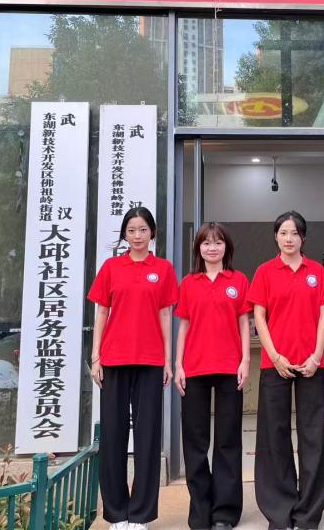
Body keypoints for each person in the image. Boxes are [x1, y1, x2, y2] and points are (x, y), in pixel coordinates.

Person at [89, 206, 178, 530]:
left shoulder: (164, 269)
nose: (137, 236)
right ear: (124, 234)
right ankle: (117, 513)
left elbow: (166, 315)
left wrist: (167, 360)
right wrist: (96, 357)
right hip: (114, 360)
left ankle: (140, 514)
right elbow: (101, 312)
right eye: (131, 230)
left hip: (151, 361)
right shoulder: (112, 267)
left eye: (143, 230)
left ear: (152, 232)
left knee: (147, 438)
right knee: (113, 436)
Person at [249, 211, 324, 530]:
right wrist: (275, 356)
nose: (289, 239)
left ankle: (309, 513)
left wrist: (316, 355)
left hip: (312, 364)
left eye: (295, 233)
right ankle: (280, 511)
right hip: (276, 364)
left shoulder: (317, 272)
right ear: (276, 236)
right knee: (275, 436)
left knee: (314, 437)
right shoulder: (264, 272)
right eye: (283, 233)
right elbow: (259, 317)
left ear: (303, 238)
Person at [174, 222, 252, 530]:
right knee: (195, 443)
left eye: (218, 242)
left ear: (226, 248)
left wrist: (245, 359)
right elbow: (184, 325)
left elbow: (244, 322)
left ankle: (225, 514)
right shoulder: (188, 283)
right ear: (199, 249)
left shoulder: (238, 280)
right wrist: (178, 364)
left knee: (227, 441)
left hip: (230, 368)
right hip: (194, 368)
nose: (212, 247)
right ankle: (200, 512)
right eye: (206, 243)